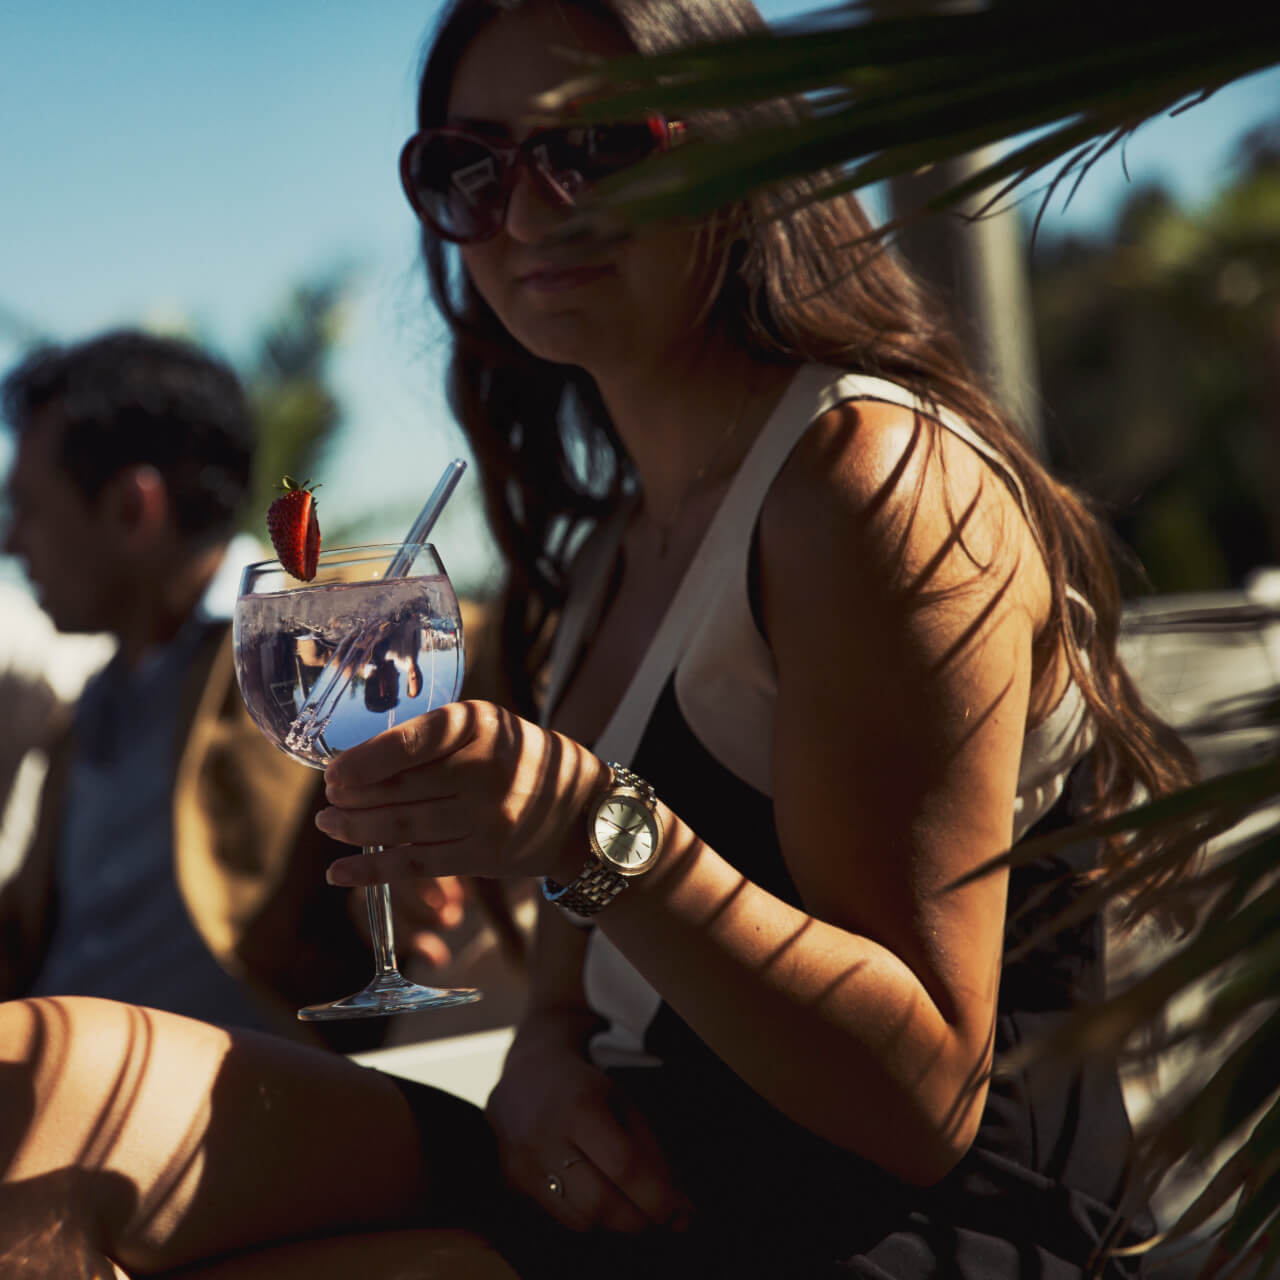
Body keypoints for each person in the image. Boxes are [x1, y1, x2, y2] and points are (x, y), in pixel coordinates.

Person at [0, 2, 1200, 1276]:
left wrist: (588, 827)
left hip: (895, 1219)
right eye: (469, 167)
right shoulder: (608, 553)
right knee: (28, 1084)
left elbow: (916, 1104)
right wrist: (535, 1069)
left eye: (598, 147)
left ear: (738, 154)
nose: (521, 214)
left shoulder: (868, 478)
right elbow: (574, 997)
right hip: (655, 1166)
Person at [0, 330, 470, 1053]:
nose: (11, 542)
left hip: (228, 1111)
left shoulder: (325, 642)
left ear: (132, 509)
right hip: (46, 1080)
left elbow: (491, 665)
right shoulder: (93, 699)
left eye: (26, 507)